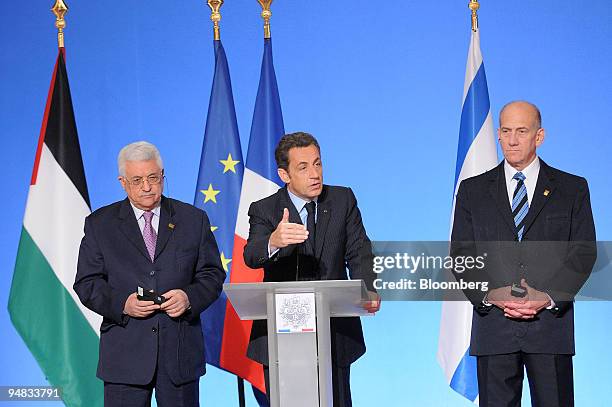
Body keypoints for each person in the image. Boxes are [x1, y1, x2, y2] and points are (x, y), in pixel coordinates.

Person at [451, 101, 596, 407]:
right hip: (494, 329)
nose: (512, 139)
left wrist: (547, 295)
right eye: (505, 131)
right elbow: (461, 255)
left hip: (549, 329)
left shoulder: (572, 189)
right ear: (498, 135)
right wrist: (492, 292)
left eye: (521, 131)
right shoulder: (472, 190)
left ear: (538, 136)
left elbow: (583, 253)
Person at [74, 141, 225, 407]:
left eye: (153, 178)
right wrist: (123, 304)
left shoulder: (193, 219)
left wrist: (189, 297)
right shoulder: (100, 224)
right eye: (137, 180)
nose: (147, 187)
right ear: (122, 182)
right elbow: (87, 283)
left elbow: (212, 274)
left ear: (163, 177)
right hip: (125, 357)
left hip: (179, 355)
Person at [243, 132, 380, 406]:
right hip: (282, 336)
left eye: (317, 164)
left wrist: (367, 288)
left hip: (334, 331)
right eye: (303, 167)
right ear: (285, 175)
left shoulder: (342, 200)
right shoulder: (265, 210)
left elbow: (359, 250)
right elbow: (251, 254)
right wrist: (273, 241)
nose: (315, 174)